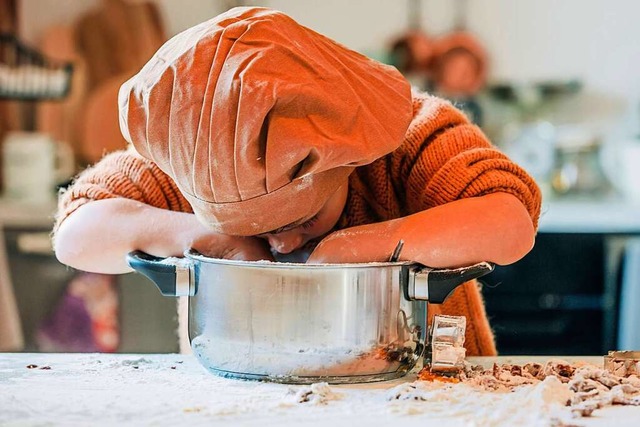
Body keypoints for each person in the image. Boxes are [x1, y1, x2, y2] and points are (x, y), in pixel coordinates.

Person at [52, 7, 541, 357]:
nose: (283, 243)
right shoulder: (201, 156)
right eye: (258, 227)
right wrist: (207, 238)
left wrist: (350, 251)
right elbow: (76, 235)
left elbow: (510, 220)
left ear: (348, 159)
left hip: (434, 396)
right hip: (245, 401)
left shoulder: (410, 135)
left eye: (303, 218)